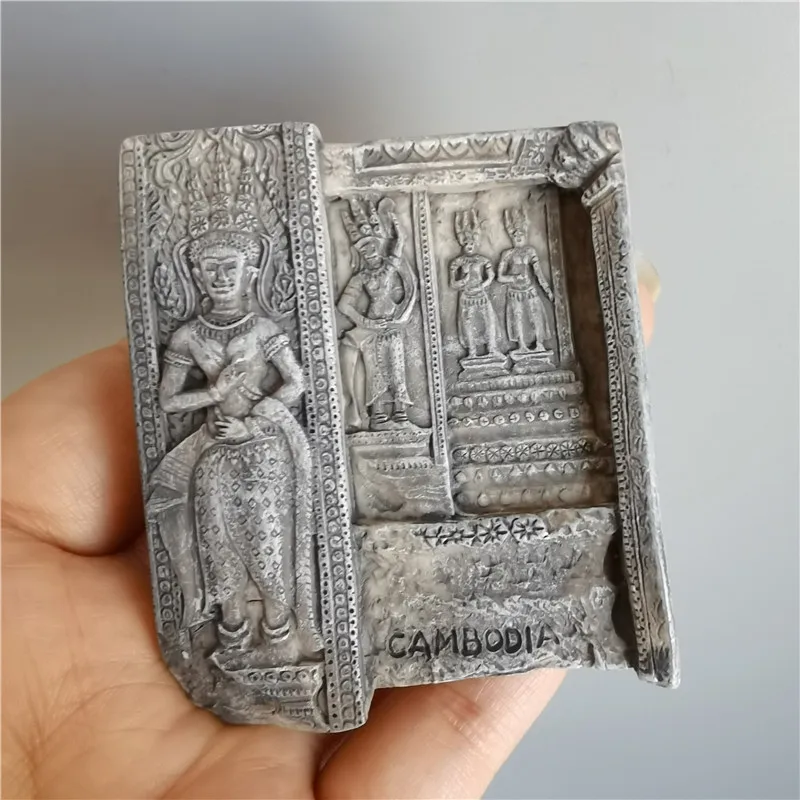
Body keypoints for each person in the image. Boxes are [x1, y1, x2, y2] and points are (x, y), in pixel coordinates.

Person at [2, 275, 654, 797]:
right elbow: (169, 401)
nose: (221, 278)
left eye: (231, 267)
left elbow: (296, 384)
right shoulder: (190, 337)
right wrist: (214, 395)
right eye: (210, 269)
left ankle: (279, 634)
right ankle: (235, 646)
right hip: (214, 454)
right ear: (198, 274)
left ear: (248, 273)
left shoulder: (263, 331)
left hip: (264, 450)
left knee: (269, 561)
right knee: (221, 562)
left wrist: (257, 410)